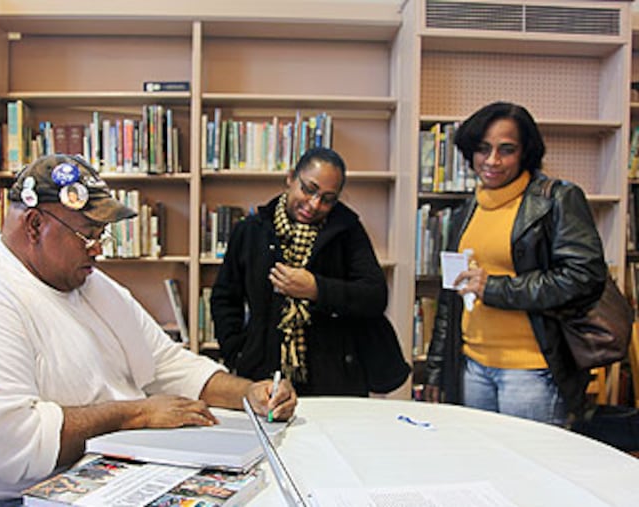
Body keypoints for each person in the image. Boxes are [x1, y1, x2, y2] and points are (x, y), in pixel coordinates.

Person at [0, 154, 297, 506]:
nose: (99, 247)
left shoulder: (90, 284)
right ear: (34, 227)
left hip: (75, 477)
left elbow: (167, 364)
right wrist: (136, 413)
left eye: (101, 233)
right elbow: (12, 448)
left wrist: (247, 394)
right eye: (88, 234)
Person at [424, 102, 607, 425]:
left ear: (526, 153)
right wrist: (437, 370)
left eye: (506, 150)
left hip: (532, 372)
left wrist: (495, 288)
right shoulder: (467, 210)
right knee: (483, 466)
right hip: (472, 367)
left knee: (533, 472)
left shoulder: (556, 199)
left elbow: (584, 277)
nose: (492, 161)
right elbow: (451, 296)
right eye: (483, 149)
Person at [210, 147, 409, 396]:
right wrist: (236, 352)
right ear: (291, 178)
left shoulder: (347, 230)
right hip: (264, 373)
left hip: (336, 377)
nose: (314, 205)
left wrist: (316, 289)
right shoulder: (251, 230)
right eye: (309, 189)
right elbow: (225, 298)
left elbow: (375, 296)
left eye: (327, 199)